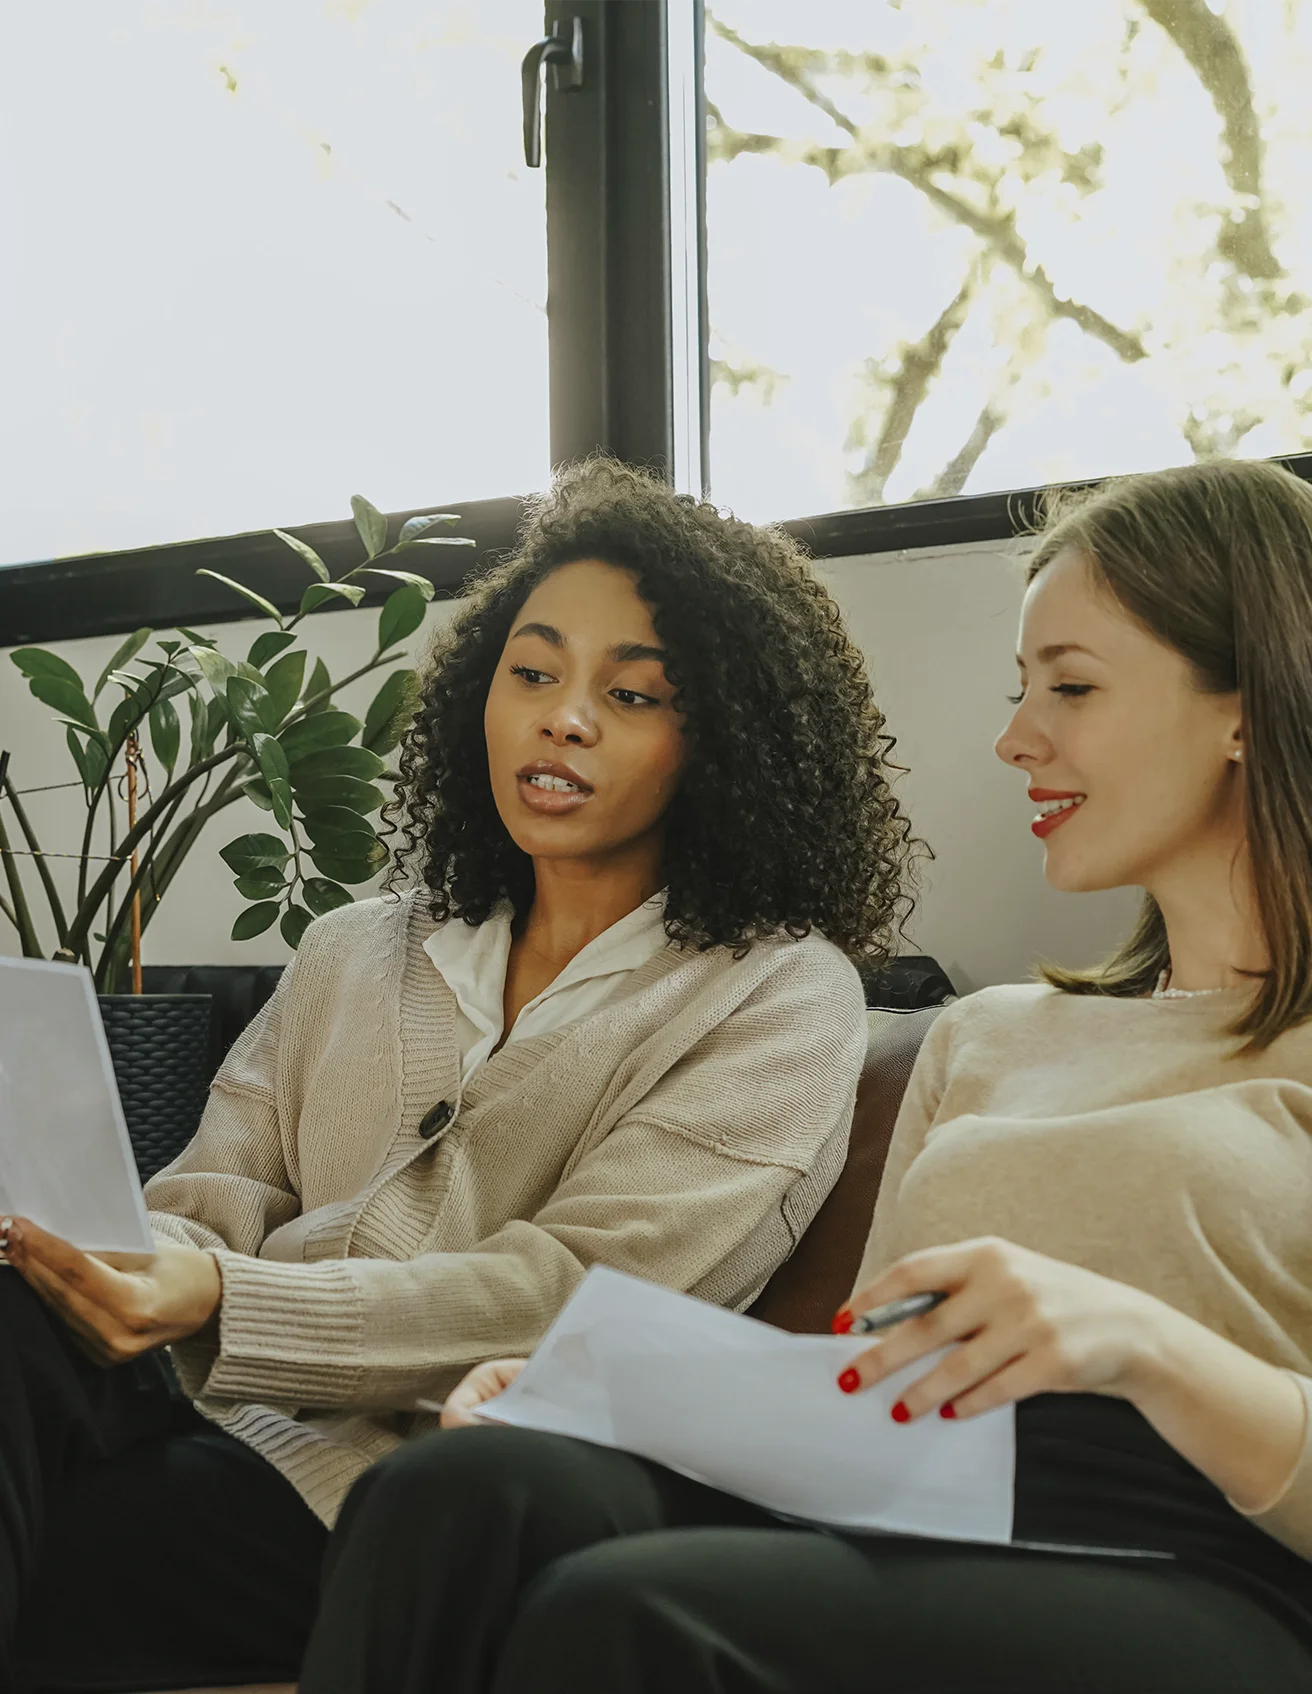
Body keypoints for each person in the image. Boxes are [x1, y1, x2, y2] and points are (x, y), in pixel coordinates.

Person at [297, 457, 1312, 1694]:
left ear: (1246, 704)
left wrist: (1142, 1342)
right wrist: (615, 1385)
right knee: (458, 1491)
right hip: (928, 1506)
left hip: (1215, 1568)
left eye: (1074, 686)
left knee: (633, 1615)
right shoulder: (990, 1032)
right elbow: (862, 1393)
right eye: (1020, 687)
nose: (1013, 737)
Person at [0, 460, 914, 1693]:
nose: (563, 718)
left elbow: (571, 1300)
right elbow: (216, 1191)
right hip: (174, 1405)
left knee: (76, 1552)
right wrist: (104, 1254)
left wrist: (220, 1299)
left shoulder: (778, 993)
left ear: (725, 740)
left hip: (393, 1492)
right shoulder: (353, 945)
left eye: (632, 693)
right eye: (531, 672)